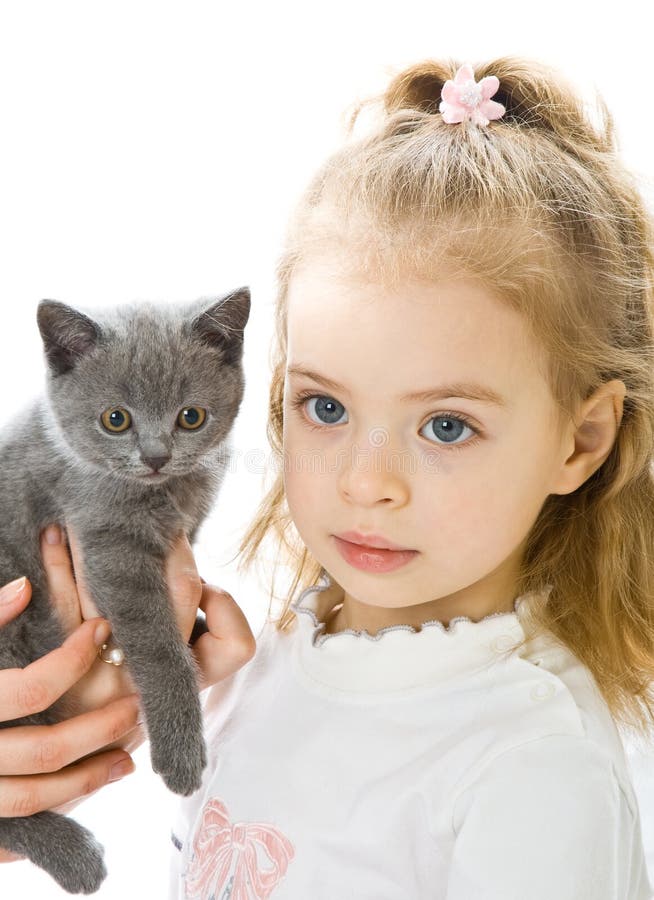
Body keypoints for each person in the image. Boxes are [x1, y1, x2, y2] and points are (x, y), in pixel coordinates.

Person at [2, 54, 654, 898]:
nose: (365, 484)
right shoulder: (254, 669)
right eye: (326, 407)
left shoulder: (534, 772)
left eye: (446, 425)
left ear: (582, 440)